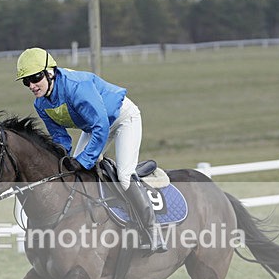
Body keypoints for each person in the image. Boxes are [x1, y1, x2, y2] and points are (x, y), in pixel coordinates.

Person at [15, 47, 166, 253]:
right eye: (26, 82)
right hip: (93, 126)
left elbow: (101, 126)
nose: (32, 85)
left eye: (35, 78)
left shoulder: (77, 87)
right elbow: (60, 138)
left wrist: (84, 159)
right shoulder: (41, 103)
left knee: (123, 175)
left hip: (122, 119)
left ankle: (153, 230)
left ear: (50, 72)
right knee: (75, 173)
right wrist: (63, 160)